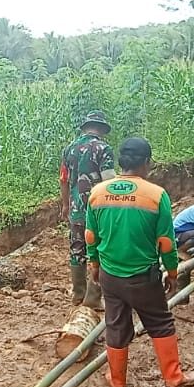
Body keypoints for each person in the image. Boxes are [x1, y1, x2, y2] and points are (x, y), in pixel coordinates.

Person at [85, 137, 194, 387]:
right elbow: (167, 243)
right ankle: (173, 378)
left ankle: (117, 381)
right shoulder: (156, 195)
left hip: (109, 274)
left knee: (115, 324)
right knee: (160, 322)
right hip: (143, 277)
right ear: (147, 162)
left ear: (120, 162)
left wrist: (94, 265)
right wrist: (171, 273)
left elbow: (91, 236)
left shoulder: (98, 192)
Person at [59, 110, 116, 309]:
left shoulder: (69, 149)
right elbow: (108, 180)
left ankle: (77, 294)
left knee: (77, 249)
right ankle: (92, 298)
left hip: (76, 209)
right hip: (98, 210)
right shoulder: (104, 148)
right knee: (100, 250)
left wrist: (66, 205)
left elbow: (64, 180)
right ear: (101, 129)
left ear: (85, 128)